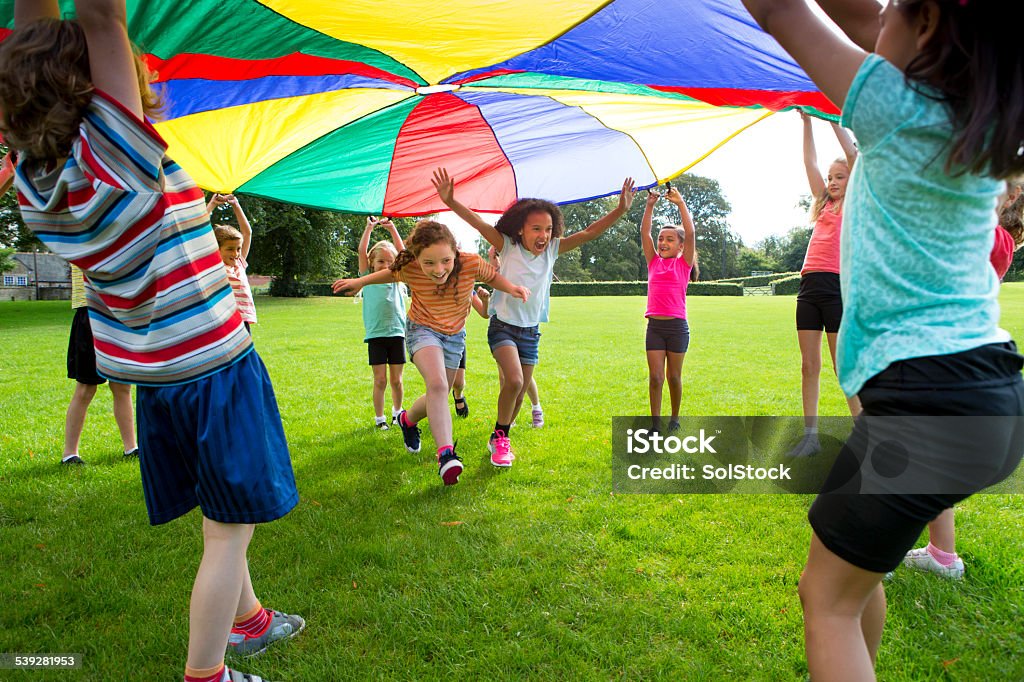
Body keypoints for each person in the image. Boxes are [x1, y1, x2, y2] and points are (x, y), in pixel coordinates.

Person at [0, 5, 303, 681]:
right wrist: (95, 32)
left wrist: (35, 40)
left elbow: (36, 38)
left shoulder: (35, 182)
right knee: (229, 532)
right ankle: (207, 673)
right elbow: (104, 16)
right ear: (98, 95)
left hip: (157, 375)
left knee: (221, 513)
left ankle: (250, 621)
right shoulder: (118, 158)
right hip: (213, 369)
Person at [740, 0, 1024, 679]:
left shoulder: (896, 109)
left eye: (893, 9)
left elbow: (780, 10)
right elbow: (875, 25)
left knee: (827, 604)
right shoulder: (972, 126)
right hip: (991, 398)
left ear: (926, 27)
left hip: (924, 401)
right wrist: (906, 16)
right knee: (846, 580)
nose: (874, 19)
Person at [433, 167, 634, 466]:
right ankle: (502, 437)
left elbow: (590, 232)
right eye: (536, 228)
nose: (544, 235)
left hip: (531, 331)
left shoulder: (553, 250)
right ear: (521, 230)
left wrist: (619, 210)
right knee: (513, 381)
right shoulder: (508, 245)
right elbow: (477, 223)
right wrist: (451, 201)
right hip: (503, 327)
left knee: (520, 388)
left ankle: (499, 436)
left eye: (549, 229)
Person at [332, 219, 529, 484]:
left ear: (455, 252)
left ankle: (407, 420)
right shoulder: (410, 268)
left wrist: (513, 288)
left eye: (446, 261)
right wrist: (361, 282)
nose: (438, 270)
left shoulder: (470, 263)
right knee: (436, 384)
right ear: (417, 258)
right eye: (429, 263)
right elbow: (389, 273)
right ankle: (446, 455)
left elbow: (492, 276)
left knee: (440, 392)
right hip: (422, 330)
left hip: (454, 336)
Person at [901, 179, 1024, 580]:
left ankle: (877, 551)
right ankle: (941, 553)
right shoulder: (998, 238)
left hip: (941, 353)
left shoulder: (990, 236)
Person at [789, 112, 863, 458]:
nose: (832, 182)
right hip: (809, 289)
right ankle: (811, 438)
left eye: (840, 177)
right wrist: (805, 121)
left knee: (841, 366)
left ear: (853, 180)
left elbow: (854, 157)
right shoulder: (822, 206)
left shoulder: (854, 203)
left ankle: (865, 435)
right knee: (809, 366)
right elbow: (808, 160)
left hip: (836, 288)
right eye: (830, 178)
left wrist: (832, 119)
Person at [61, 264, 138, 465]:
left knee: (122, 386)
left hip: (117, 314)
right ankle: (70, 453)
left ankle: (131, 447)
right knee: (86, 387)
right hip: (90, 313)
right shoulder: (80, 240)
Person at [640, 186, 696, 431]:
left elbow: (691, 232)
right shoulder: (653, 262)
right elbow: (645, 233)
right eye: (661, 239)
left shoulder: (683, 265)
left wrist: (680, 203)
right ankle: (655, 423)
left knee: (673, 377)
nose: (663, 242)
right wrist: (650, 205)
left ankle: (674, 418)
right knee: (655, 378)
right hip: (655, 327)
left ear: (681, 246)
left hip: (676, 328)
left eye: (669, 239)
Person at [356, 216, 407, 430]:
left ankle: (397, 413)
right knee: (380, 380)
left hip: (397, 334)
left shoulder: (398, 277)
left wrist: (392, 228)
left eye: (389, 262)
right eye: (380, 261)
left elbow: (404, 254)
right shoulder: (366, 277)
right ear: (371, 263)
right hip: (376, 336)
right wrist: (369, 227)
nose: (385, 265)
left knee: (396, 380)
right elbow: (361, 251)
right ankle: (380, 419)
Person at [210, 193, 257, 333]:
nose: (236, 254)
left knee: (244, 355)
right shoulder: (215, 265)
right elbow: (195, 233)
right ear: (216, 248)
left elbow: (247, 233)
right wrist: (212, 205)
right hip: (222, 322)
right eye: (230, 249)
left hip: (243, 322)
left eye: (238, 249)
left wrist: (236, 205)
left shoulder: (239, 264)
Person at [450, 287, 490, 419]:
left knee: (459, 383)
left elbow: (485, 314)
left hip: (457, 338)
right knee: (440, 383)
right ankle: (438, 411)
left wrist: (485, 301)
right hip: (434, 339)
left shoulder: (466, 286)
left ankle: (458, 395)